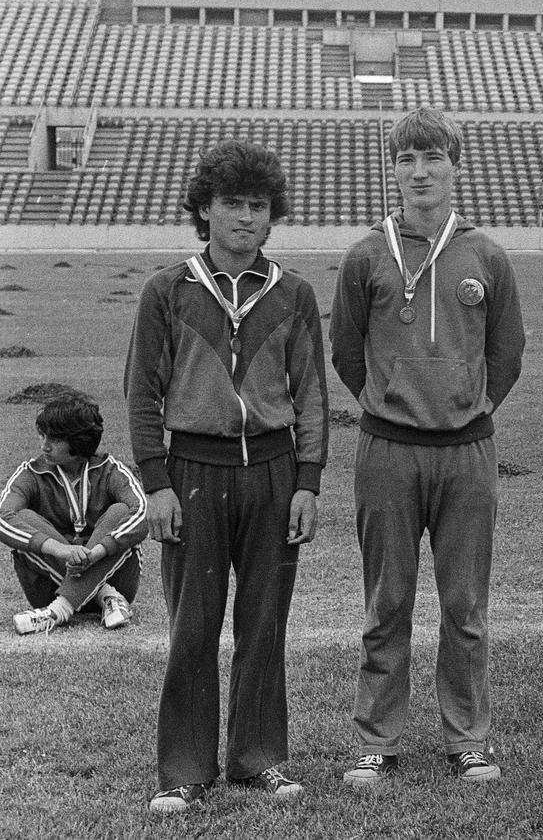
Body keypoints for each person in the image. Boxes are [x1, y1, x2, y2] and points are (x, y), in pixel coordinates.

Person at [125, 139, 328, 813]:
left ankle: (258, 757)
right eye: (232, 203)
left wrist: (308, 480)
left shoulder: (293, 293)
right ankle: (184, 769)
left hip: (272, 472)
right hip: (191, 475)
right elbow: (142, 394)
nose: (245, 217)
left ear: (272, 218)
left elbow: (313, 398)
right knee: (192, 627)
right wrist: (155, 484)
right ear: (204, 210)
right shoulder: (167, 291)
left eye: (258, 205)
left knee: (265, 624)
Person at [331, 106, 524, 787]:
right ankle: (377, 739)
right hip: (387, 453)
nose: (420, 172)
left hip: (467, 454)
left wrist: (468, 411)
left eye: (432, 158)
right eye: (407, 160)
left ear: (455, 165)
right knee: (387, 601)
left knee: (464, 605)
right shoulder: (364, 255)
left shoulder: (487, 256)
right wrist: (392, 407)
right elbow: (346, 354)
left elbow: (507, 355)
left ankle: (467, 737)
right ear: (392, 169)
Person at [2, 392, 146, 635]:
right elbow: (2, 516)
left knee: (121, 511)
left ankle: (58, 611)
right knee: (22, 517)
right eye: (42, 435)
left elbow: (142, 512)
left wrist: (95, 554)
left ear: (79, 442)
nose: (43, 445)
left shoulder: (110, 471)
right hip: (48, 588)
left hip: (115, 576)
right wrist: (61, 550)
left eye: (54, 439)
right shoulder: (32, 473)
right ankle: (105, 595)